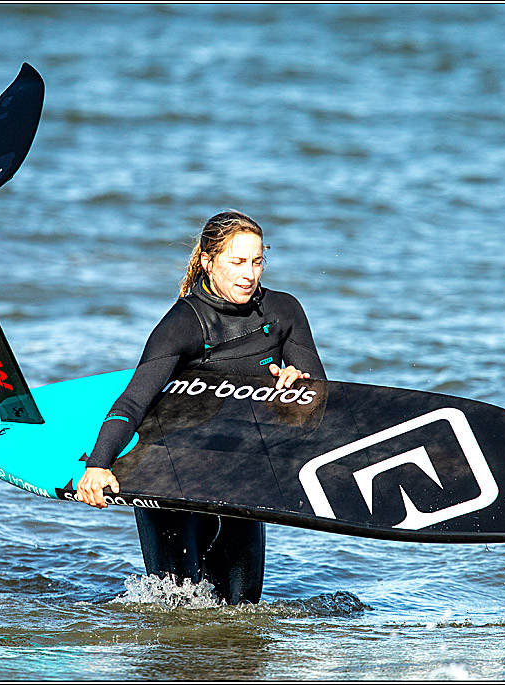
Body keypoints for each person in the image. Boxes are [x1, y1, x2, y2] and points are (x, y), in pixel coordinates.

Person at [75, 210, 325, 605]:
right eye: (237, 262)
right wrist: (99, 464)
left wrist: (297, 387)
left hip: (241, 472)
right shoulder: (183, 324)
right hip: (171, 470)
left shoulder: (283, 312)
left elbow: (317, 404)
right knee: (175, 607)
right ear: (209, 261)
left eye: (257, 262)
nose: (249, 274)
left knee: (243, 610)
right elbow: (134, 400)